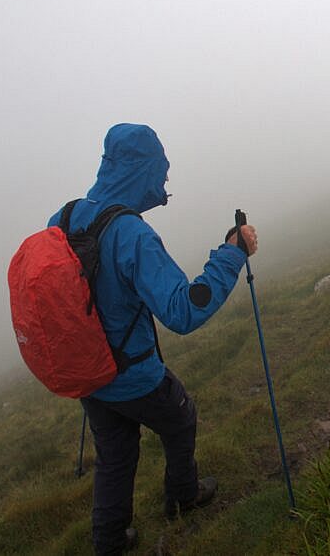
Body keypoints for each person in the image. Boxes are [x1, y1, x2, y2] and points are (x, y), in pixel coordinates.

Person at [48, 123, 257, 555]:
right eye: (160, 173)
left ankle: (109, 541)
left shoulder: (66, 217)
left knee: (116, 455)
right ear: (143, 171)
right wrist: (233, 252)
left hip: (88, 370)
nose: (163, 184)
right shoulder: (131, 234)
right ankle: (184, 496)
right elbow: (184, 310)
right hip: (134, 374)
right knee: (180, 418)